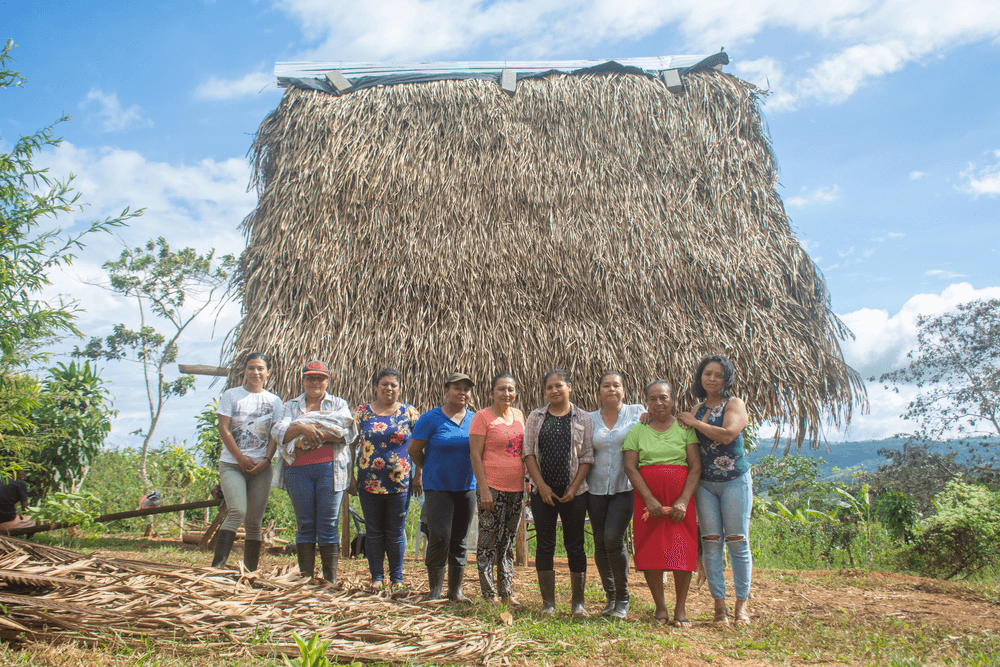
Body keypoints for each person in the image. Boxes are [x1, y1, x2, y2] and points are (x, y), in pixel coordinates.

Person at [677, 354, 752, 625]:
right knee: (710, 542)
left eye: (718, 375)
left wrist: (696, 423)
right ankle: (719, 606)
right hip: (705, 485)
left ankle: (741, 605)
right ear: (700, 377)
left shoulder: (735, 404)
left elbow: (728, 434)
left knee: (737, 541)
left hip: (734, 481)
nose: (712, 378)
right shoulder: (696, 407)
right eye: (707, 373)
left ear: (726, 379)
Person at [623, 379, 700, 627]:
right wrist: (649, 499)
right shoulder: (637, 431)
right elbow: (630, 468)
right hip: (648, 503)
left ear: (673, 400)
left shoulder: (684, 428)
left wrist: (683, 501)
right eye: (653, 398)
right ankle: (660, 608)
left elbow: (695, 467)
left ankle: (680, 609)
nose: (658, 403)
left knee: (682, 549)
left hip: (680, 500)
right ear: (647, 402)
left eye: (663, 397)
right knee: (652, 550)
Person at [271, 360, 357, 584]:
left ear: (327, 380)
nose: (315, 382)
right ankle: (306, 578)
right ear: (303, 380)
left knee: (328, 523)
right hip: (298, 471)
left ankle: (330, 581)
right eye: (310, 378)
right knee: (305, 523)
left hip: (330, 468)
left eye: (320, 378)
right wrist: (302, 427)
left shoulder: (339, 404)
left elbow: (345, 431)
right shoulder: (290, 405)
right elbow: (279, 431)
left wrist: (303, 433)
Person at [523, 369, 594, 618]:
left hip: (575, 492)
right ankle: (548, 604)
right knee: (545, 544)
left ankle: (578, 604)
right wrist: (541, 486)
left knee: (575, 545)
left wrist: (574, 488)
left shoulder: (583, 418)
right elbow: (528, 453)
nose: (554, 391)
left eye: (559, 386)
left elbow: (586, 457)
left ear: (569, 387)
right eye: (549, 387)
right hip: (544, 493)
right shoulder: (536, 416)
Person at [408, 372, 477, 601]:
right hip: (438, 487)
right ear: (446, 390)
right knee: (439, 537)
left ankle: (455, 591)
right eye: (457, 388)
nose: (462, 393)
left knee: (460, 539)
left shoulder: (475, 420)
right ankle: (434, 591)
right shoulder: (430, 418)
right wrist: (428, 468)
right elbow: (414, 450)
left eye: (466, 389)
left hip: (467, 486)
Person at [213, 352, 284, 571]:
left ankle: (250, 571)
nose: (256, 372)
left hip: (261, 468)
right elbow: (224, 429)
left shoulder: (274, 401)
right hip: (232, 464)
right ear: (245, 371)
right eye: (251, 368)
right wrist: (240, 458)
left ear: (268, 372)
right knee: (237, 511)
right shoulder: (232, 395)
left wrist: (266, 460)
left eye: (260, 368)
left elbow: (275, 434)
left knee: (254, 521)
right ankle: (217, 567)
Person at [354, 368, 420, 589]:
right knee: (373, 531)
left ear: (399, 389)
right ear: (375, 387)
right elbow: (349, 444)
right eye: (384, 384)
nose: (389, 388)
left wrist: (418, 476)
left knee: (395, 531)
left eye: (393, 385)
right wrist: (349, 477)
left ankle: (397, 578)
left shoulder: (410, 413)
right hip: (367, 481)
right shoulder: (361, 412)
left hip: (399, 483)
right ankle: (376, 578)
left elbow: (420, 446)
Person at [587, 372, 645, 619]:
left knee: (613, 538)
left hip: (625, 487)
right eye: (606, 386)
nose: (612, 389)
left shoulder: (638, 413)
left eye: (617, 385)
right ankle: (610, 596)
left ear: (624, 390)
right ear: (598, 391)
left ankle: (623, 597)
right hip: (595, 489)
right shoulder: (589, 419)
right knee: (599, 541)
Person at [469, 373, 525, 605]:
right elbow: (474, 454)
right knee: (488, 542)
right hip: (491, 488)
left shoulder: (520, 415)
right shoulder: (482, 417)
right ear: (492, 392)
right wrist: (484, 490)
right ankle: (488, 593)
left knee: (508, 542)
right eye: (501, 389)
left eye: (510, 389)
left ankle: (507, 592)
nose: (506, 394)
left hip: (517, 489)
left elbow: (526, 451)